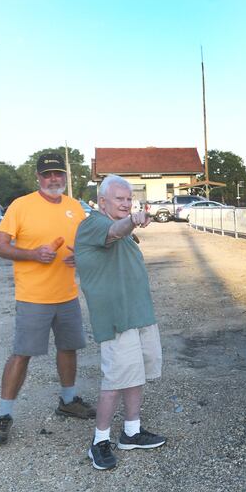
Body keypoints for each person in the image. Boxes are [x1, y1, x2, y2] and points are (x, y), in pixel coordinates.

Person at [0, 153, 95, 445]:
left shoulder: (75, 207)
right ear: (38, 177)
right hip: (33, 296)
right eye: (47, 175)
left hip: (67, 295)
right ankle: (4, 414)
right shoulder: (21, 206)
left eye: (58, 174)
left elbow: (85, 245)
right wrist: (33, 254)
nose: (53, 179)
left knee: (69, 347)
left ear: (65, 177)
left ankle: (68, 400)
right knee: (22, 353)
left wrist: (80, 256)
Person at [75, 174, 165, 471]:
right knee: (115, 379)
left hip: (139, 314)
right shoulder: (94, 223)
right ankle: (99, 441)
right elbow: (115, 229)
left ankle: (131, 431)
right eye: (119, 199)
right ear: (102, 201)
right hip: (117, 319)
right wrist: (134, 221)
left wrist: (132, 226)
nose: (126, 204)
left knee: (135, 373)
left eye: (129, 199)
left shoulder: (120, 229)